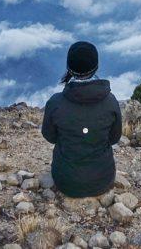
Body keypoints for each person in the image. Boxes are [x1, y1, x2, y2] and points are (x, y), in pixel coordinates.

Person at [41, 41, 122, 198]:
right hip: (103, 180)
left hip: (66, 181)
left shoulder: (55, 103)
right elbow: (114, 138)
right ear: (96, 66)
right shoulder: (111, 102)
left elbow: (50, 137)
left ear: (69, 68)